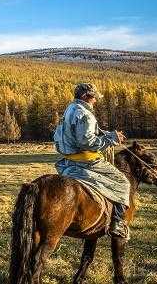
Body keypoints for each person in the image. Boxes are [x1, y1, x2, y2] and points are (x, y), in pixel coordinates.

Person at [52, 83, 130, 239]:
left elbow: (81, 134)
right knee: (123, 183)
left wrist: (108, 135)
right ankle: (117, 223)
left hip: (68, 161)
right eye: (93, 97)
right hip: (86, 161)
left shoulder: (70, 109)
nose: (95, 100)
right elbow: (86, 142)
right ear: (85, 97)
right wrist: (111, 140)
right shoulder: (85, 114)